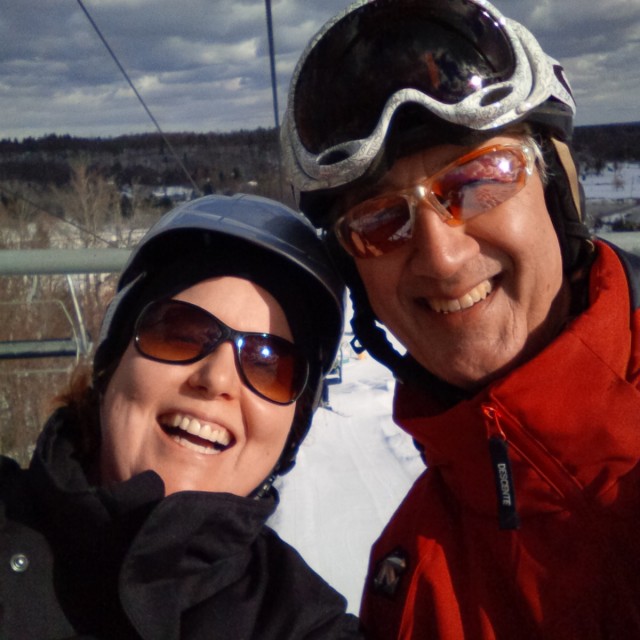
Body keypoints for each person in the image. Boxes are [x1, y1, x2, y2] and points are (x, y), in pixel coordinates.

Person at [281, 0, 640, 637]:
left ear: (556, 191)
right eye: (379, 223)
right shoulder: (414, 586)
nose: (442, 260)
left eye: (477, 181)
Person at [0, 193, 363, 639]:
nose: (217, 380)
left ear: (292, 430)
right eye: (181, 333)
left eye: (269, 364)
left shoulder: (301, 624)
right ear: (112, 364)